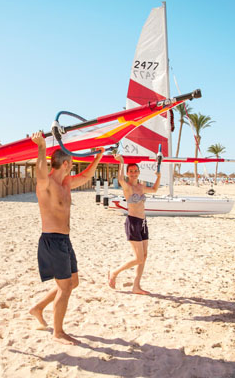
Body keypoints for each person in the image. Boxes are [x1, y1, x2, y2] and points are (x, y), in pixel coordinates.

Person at [28, 131, 104, 345]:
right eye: (72, 162)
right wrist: (41, 147)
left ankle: (38, 308)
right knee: (65, 287)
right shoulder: (48, 184)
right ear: (68, 163)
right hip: (52, 240)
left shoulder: (67, 183)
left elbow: (87, 176)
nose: (73, 165)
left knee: (73, 282)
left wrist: (98, 156)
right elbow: (40, 172)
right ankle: (58, 332)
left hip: (64, 241)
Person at [108, 154, 160, 295]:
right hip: (132, 222)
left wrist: (158, 176)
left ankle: (136, 286)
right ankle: (114, 272)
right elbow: (120, 179)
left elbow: (154, 189)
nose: (133, 173)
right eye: (130, 171)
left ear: (138, 172)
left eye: (135, 171)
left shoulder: (141, 186)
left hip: (143, 222)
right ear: (128, 173)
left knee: (144, 255)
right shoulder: (128, 187)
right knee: (139, 258)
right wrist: (121, 163)